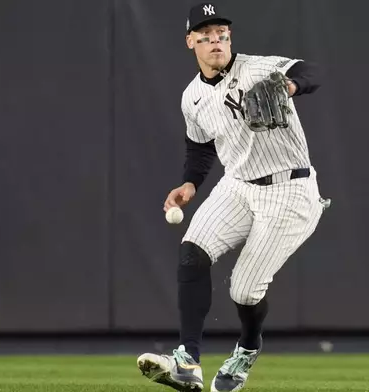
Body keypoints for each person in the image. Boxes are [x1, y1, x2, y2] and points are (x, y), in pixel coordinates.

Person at [137, 3, 328, 391]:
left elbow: (313, 72)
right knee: (192, 250)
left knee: (243, 289)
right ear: (191, 42)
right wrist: (190, 184)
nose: (215, 42)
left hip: (289, 189)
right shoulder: (192, 96)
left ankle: (247, 347)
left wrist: (291, 86)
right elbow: (201, 146)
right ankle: (187, 361)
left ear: (230, 37)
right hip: (238, 185)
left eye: (221, 34)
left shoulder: (259, 68)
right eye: (205, 36)